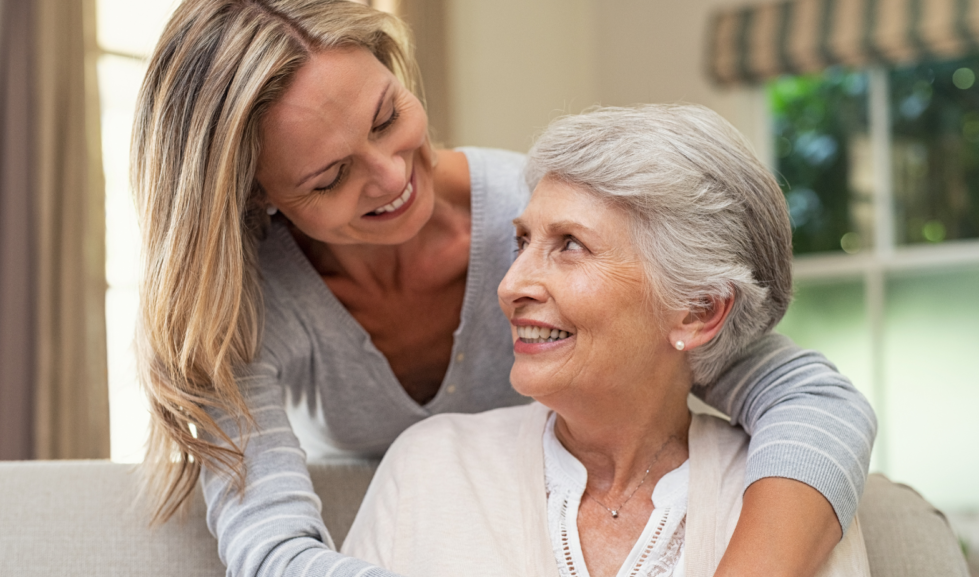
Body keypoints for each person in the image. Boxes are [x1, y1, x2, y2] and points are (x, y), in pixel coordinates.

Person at [131, 1, 875, 576]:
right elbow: (274, 551)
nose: (392, 176)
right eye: (329, 176)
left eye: (388, 117)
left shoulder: (542, 214)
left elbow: (809, 397)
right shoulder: (241, 307)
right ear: (259, 196)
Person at [341, 104, 871, 577]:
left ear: (699, 310)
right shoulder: (431, 466)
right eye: (522, 241)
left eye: (570, 245)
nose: (509, 286)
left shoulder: (785, 499)